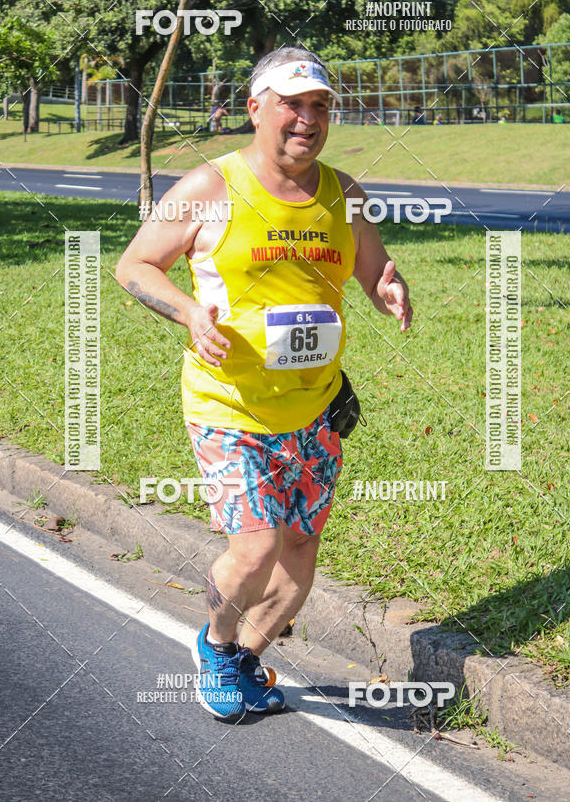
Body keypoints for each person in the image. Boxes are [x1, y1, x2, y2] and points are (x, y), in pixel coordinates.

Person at [115, 47, 413, 723]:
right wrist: (189, 312)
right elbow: (134, 266)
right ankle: (216, 643)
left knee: (299, 550)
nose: (307, 120)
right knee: (254, 545)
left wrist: (387, 287)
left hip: (316, 408)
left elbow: (372, 267)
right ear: (256, 110)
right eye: (292, 105)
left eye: (319, 107)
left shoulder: (345, 194)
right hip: (230, 405)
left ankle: (246, 657)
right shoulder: (209, 188)